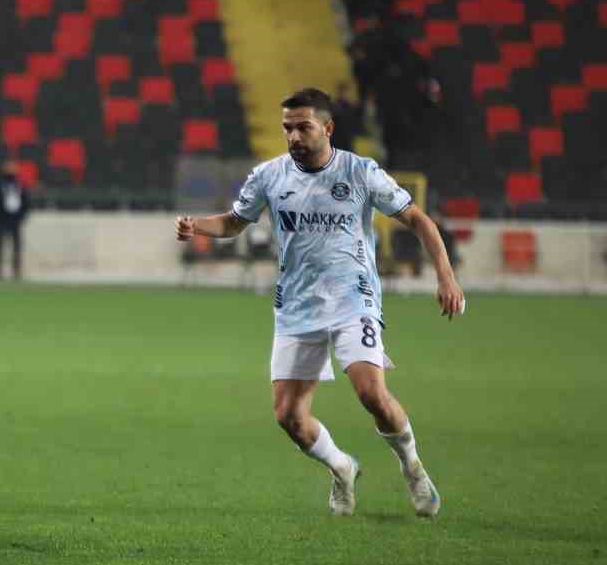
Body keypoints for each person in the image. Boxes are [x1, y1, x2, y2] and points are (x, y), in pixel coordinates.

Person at [174, 87, 464, 518]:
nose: (293, 136)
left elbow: (417, 218)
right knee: (289, 416)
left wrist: (445, 274)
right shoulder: (269, 176)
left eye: (303, 127)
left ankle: (414, 468)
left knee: (371, 393)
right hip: (296, 306)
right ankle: (342, 467)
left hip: (354, 300)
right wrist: (196, 224)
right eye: (287, 127)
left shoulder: (359, 171)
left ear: (326, 128)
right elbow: (235, 223)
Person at [0, 160, 30, 280]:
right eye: (9, 168)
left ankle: (16, 270)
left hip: (15, 219)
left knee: (17, 245)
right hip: (2, 219)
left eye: (13, 168)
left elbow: (26, 201)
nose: (11, 170)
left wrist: (22, 216)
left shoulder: (20, 184)